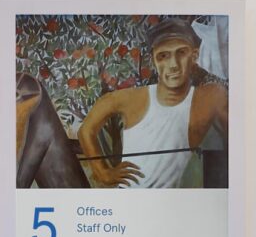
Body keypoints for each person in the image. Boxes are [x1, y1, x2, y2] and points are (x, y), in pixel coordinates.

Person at [75, 21, 228, 187]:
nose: (173, 65)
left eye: (181, 53)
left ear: (194, 55)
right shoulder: (131, 99)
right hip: (126, 202)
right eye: (163, 56)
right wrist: (102, 172)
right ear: (153, 60)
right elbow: (86, 129)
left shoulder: (210, 97)